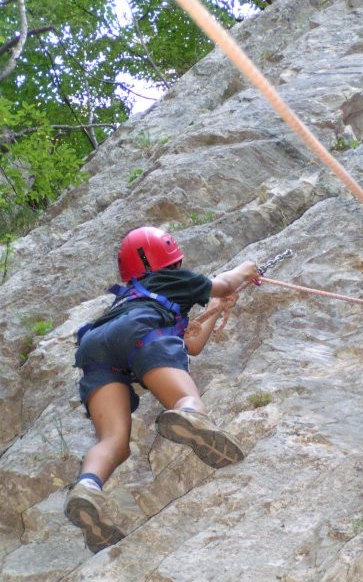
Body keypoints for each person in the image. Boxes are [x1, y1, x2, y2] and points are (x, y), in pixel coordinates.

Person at [64, 226, 260, 553]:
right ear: (172, 258)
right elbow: (225, 281)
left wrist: (216, 307)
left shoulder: (127, 297)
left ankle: (87, 486)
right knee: (186, 397)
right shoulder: (172, 280)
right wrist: (246, 270)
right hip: (139, 333)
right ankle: (187, 413)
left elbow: (192, 343)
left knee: (114, 441)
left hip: (94, 346)